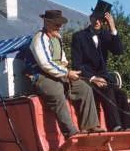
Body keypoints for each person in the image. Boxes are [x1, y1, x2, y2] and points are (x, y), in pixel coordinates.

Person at [29, 9, 101, 138]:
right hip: (42, 76)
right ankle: (71, 133)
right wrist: (67, 73)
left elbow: (63, 59)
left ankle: (90, 126)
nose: (60, 27)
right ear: (47, 22)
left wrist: (66, 70)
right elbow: (46, 64)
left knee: (85, 88)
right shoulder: (39, 39)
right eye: (57, 24)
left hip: (59, 73)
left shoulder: (57, 38)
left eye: (60, 24)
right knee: (57, 92)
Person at [71, 0, 130, 132]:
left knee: (120, 93)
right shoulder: (79, 37)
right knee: (107, 90)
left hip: (104, 77)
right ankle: (115, 127)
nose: (97, 22)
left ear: (104, 22)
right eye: (95, 18)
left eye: (101, 19)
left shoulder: (105, 35)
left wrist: (113, 28)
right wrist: (92, 78)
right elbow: (76, 64)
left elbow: (118, 51)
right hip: (87, 79)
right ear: (90, 18)